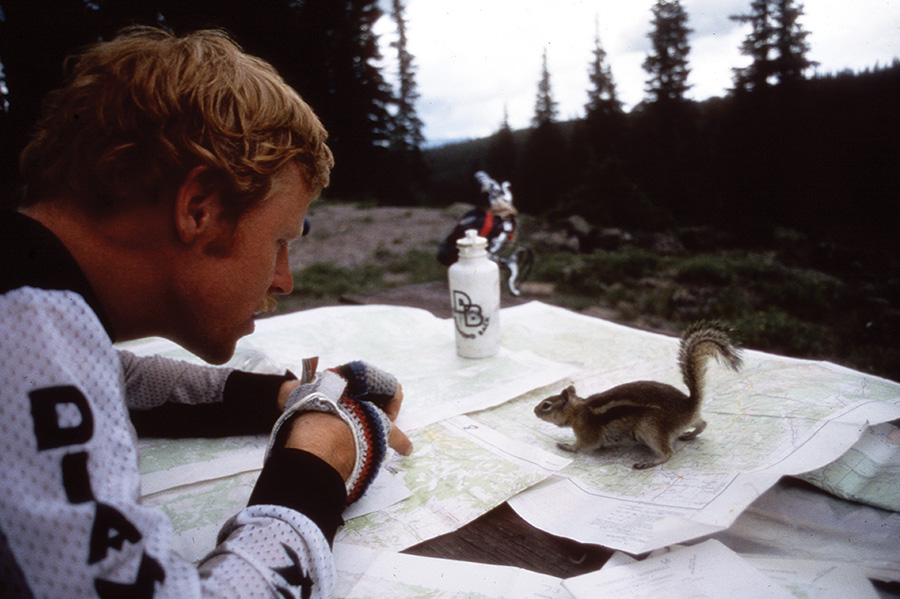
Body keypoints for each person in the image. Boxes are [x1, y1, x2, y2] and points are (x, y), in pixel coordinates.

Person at [0, 26, 412, 598]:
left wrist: (284, 395)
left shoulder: (33, 307)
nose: (285, 280)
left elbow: (115, 380)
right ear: (200, 208)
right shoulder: (21, 331)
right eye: (279, 241)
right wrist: (319, 463)